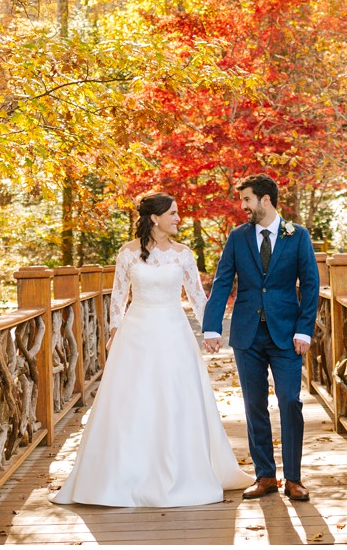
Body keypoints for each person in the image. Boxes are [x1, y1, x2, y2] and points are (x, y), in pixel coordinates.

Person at [51, 192, 251, 507]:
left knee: (176, 398)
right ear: (155, 218)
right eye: (173, 213)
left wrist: (211, 329)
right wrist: (114, 331)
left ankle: (182, 471)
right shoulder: (128, 253)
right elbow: (118, 297)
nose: (178, 218)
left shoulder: (183, 254)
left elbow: (199, 297)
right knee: (134, 402)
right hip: (137, 334)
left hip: (174, 333)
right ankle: (125, 475)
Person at [201, 173, 319, 502]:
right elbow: (223, 281)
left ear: (265, 200)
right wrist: (211, 327)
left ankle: (293, 478)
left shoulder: (298, 235)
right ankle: (265, 475)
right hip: (247, 335)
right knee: (254, 405)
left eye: (247, 200)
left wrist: (304, 330)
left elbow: (310, 285)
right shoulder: (237, 237)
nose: (243, 207)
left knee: (290, 401)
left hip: (286, 335)